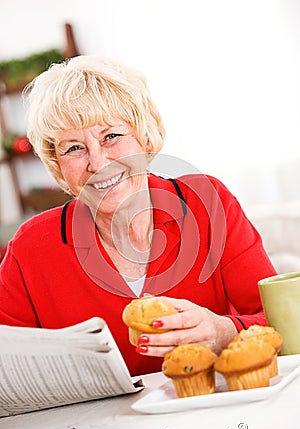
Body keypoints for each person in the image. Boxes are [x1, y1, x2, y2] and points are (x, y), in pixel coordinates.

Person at [0, 55, 276, 376]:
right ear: (57, 164)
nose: (98, 162)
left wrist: (222, 331)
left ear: (144, 137)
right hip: (89, 426)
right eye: (73, 148)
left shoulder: (206, 202)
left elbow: (279, 320)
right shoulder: (32, 247)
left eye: (111, 137)